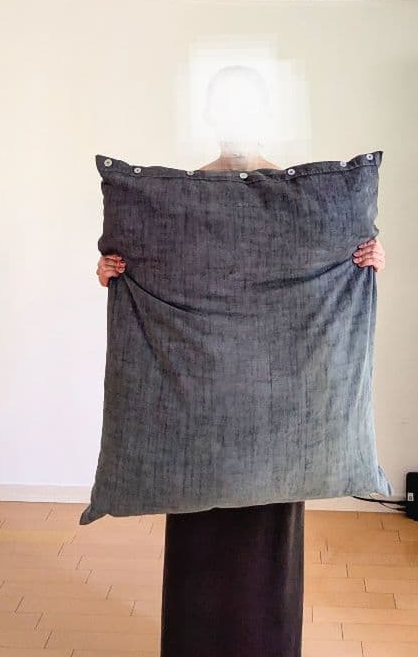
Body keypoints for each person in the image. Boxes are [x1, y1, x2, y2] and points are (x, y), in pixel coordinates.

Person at [95, 65, 386, 657]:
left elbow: (335, 259)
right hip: (197, 402)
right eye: (223, 106)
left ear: (262, 114)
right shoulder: (181, 198)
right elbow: (147, 267)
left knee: (266, 539)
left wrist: (367, 259)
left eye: (244, 106)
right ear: (210, 115)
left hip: (278, 409)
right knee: (197, 521)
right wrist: (112, 271)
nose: (233, 118)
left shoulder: (299, 197)